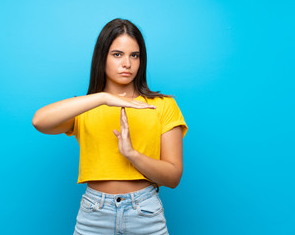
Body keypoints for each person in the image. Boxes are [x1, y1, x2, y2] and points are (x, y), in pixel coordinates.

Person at [32, 18, 188, 235]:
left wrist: (132, 154)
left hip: (145, 212)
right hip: (94, 214)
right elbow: (39, 121)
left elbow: (173, 177)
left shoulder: (162, 105)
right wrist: (103, 98)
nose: (127, 63)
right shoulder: (85, 107)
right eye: (117, 54)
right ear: (101, 57)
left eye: (134, 55)